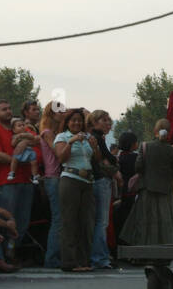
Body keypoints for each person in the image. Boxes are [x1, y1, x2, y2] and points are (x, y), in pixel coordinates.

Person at [119, 119, 173, 248]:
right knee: (165, 222)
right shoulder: (172, 150)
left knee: (146, 221)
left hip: (147, 189)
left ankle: (144, 250)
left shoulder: (145, 146)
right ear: (168, 133)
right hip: (165, 191)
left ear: (155, 131)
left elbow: (138, 167)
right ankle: (165, 249)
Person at [0, 101, 38, 252]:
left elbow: (37, 140)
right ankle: (3, 253)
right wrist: (19, 159)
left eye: (9, 108)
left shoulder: (21, 128)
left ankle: (14, 252)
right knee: (7, 220)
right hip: (7, 182)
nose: (8, 111)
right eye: (4, 109)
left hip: (26, 180)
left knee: (23, 220)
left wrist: (26, 141)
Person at [54, 108, 99, 271]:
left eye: (79, 121)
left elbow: (96, 160)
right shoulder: (62, 137)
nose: (77, 123)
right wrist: (71, 141)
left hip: (87, 181)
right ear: (67, 123)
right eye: (73, 120)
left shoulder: (86, 138)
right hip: (70, 180)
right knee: (70, 221)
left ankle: (83, 261)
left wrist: (95, 147)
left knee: (86, 223)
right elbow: (61, 158)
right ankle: (69, 262)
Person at [86, 110, 118, 270]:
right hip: (100, 180)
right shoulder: (96, 138)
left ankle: (99, 255)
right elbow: (106, 159)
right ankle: (100, 257)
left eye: (109, 120)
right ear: (94, 122)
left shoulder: (97, 137)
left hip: (97, 180)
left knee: (99, 221)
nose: (108, 123)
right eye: (104, 120)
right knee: (102, 221)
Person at [38, 104, 66, 269]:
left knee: (59, 218)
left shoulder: (54, 132)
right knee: (58, 219)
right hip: (53, 177)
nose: (63, 114)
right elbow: (58, 153)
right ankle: (52, 257)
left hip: (56, 177)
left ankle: (55, 255)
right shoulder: (48, 133)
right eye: (60, 111)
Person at [6, 118, 41, 184]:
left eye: (23, 125)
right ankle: (12, 172)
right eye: (19, 126)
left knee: (34, 162)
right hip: (19, 152)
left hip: (29, 151)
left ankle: (34, 176)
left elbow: (32, 137)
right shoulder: (15, 136)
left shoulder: (27, 133)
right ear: (14, 130)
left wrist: (23, 135)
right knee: (14, 159)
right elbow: (13, 144)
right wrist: (17, 138)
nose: (22, 127)